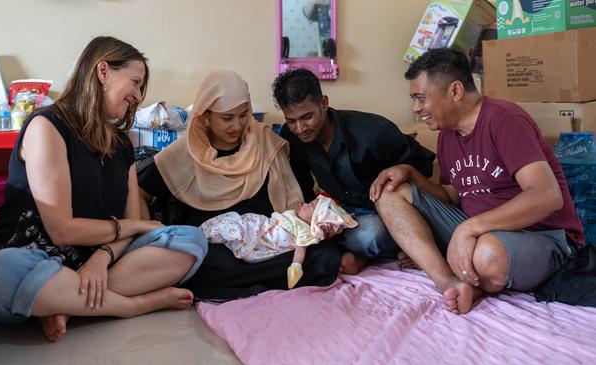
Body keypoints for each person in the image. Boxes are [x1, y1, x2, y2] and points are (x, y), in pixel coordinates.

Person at [0, 36, 208, 342]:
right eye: (135, 82)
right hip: (32, 261)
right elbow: (62, 230)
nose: (138, 95)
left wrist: (103, 256)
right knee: (1, 273)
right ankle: (128, 305)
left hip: (92, 263)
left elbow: (132, 229)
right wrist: (132, 228)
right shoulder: (47, 126)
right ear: (103, 71)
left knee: (191, 241)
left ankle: (65, 305)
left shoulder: (122, 144)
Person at [370, 47, 584, 314]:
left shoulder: (504, 119)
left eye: (421, 98)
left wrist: (469, 229)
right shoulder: (447, 134)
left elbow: (546, 195)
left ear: (456, 91)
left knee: (486, 256)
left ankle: (467, 269)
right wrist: (412, 174)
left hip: (541, 237)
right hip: (480, 231)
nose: (416, 108)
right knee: (390, 193)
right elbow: (452, 197)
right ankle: (450, 282)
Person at [138, 70, 344, 300]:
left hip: (268, 244)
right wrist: (147, 230)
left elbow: (297, 200)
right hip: (216, 249)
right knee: (197, 262)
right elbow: (140, 192)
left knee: (324, 255)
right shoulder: (183, 153)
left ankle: (245, 287)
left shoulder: (265, 141)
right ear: (206, 114)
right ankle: (268, 283)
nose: (236, 125)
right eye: (227, 118)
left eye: (244, 115)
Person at [272, 68, 436, 264]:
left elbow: (423, 169)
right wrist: (316, 220)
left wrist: (413, 229)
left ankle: (390, 249)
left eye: (307, 117)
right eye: (291, 120)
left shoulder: (374, 131)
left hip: (387, 213)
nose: (300, 128)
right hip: (340, 213)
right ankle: (353, 253)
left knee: (368, 236)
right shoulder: (291, 137)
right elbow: (302, 186)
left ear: (323, 103)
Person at [200, 195, 358, 288]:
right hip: (260, 226)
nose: (306, 204)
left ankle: (206, 236)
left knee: (238, 230)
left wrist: (295, 269)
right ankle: (204, 234)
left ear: (316, 220)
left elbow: (299, 253)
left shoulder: (304, 231)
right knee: (238, 224)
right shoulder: (297, 216)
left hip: (264, 240)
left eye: (312, 206)